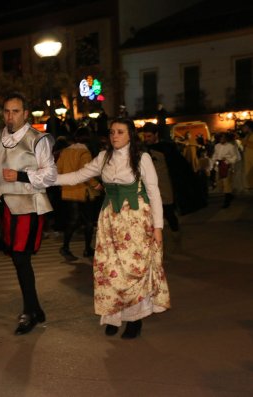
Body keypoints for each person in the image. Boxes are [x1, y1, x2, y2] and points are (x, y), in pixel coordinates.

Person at [55, 117, 170, 339]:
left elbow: (154, 192)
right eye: (112, 132)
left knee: (132, 270)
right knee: (109, 270)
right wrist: (46, 179)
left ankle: (134, 319)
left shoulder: (141, 157)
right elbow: (78, 176)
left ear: (130, 135)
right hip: (110, 220)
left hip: (135, 219)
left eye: (120, 132)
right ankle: (114, 316)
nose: (114, 136)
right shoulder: (103, 157)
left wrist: (158, 227)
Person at [0, 92, 57, 335]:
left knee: (21, 258)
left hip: (30, 205)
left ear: (26, 113)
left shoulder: (37, 140)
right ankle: (36, 309)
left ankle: (29, 312)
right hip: (5, 206)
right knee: (19, 260)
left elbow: (50, 175)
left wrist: (21, 175)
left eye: (16, 111)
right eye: (7, 111)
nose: (10, 116)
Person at [56, 127, 100, 261]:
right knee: (87, 221)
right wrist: (96, 185)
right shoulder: (85, 153)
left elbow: (58, 169)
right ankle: (86, 248)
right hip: (82, 191)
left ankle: (66, 247)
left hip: (68, 190)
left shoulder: (65, 151)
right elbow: (86, 173)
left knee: (74, 220)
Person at [211, 133, 241, 208]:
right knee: (220, 183)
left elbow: (235, 157)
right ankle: (230, 195)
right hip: (219, 166)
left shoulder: (230, 146)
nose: (222, 139)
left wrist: (227, 161)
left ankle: (227, 200)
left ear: (226, 138)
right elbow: (215, 154)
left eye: (223, 138)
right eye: (220, 138)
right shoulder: (217, 146)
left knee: (227, 183)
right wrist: (214, 161)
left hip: (227, 166)